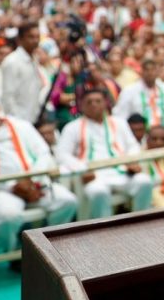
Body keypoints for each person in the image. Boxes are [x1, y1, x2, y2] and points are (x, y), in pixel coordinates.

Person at [0, 97, 76, 253]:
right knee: (8, 216)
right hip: (2, 190)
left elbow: (43, 153)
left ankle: (48, 247)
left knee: (67, 201)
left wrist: (30, 181)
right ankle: (14, 250)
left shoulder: (21, 125)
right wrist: (12, 187)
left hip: (35, 183)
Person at [55, 89, 151, 219]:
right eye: (89, 102)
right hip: (93, 176)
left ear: (105, 103)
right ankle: (104, 233)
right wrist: (82, 169)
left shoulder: (119, 122)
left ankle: (141, 223)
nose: (94, 104)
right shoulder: (72, 127)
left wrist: (131, 161)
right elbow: (62, 155)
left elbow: (133, 146)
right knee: (98, 192)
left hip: (121, 171)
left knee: (144, 182)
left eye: (98, 101)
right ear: (82, 106)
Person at [1, 23, 50, 124]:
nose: (35, 41)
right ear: (20, 39)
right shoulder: (12, 62)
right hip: (19, 120)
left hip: (34, 117)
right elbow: (8, 96)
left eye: (37, 37)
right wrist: (16, 120)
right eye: (31, 37)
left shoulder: (34, 59)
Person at [113, 58, 164, 130]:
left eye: (153, 70)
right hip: (138, 134)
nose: (150, 73)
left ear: (157, 71)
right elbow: (120, 117)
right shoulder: (129, 91)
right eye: (147, 70)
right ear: (141, 72)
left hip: (162, 133)